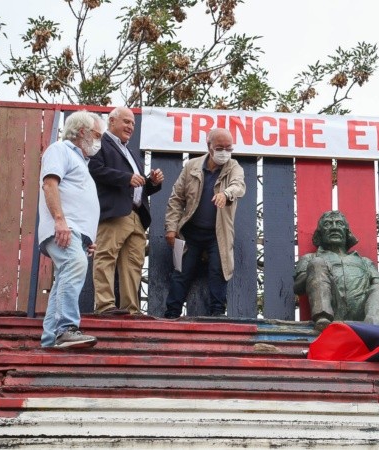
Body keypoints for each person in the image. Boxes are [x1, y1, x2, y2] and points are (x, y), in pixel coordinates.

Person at [89, 107, 164, 315]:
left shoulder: (129, 151)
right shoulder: (100, 143)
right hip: (114, 212)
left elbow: (137, 187)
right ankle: (105, 305)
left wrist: (152, 182)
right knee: (106, 256)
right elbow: (94, 170)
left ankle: (131, 310)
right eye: (126, 121)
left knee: (134, 264)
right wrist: (126, 178)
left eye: (132, 123)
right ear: (111, 121)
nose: (131, 126)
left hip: (137, 215)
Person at [163, 128, 246, 318]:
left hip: (218, 233)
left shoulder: (234, 167)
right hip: (190, 231)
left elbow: (239, 186)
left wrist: (226, 194)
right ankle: (171, 314)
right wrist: (171, 227)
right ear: (209, 146)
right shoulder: (191, 166)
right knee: (181, 272)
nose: (224, 152)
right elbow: (176, 199)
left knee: (219, 270)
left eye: (229, 148)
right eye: (220, 148)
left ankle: (217, 314)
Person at [38, 111, 104, 348]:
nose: (99, 141)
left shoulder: (81, 162)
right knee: (74, 265)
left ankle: (50, 339)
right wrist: (59, 220)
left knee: (64, 279)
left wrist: (86, 238)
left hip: (75, 232)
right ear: (83, 132)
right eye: (97, 135)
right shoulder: (60, 150)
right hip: (65, 228)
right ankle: (66, 329)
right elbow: (50, 184)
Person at [294, 210, 379, 332]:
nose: (334, 228)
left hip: (361, 312)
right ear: (320, 234)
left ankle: (374, 324)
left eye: (339, 224)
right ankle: (323, 316)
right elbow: (297, 287)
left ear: (346, 232)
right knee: (317, 263)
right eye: (327, 224)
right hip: (331, 310)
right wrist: (315, 270)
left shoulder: (365, 262)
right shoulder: (310, 258)